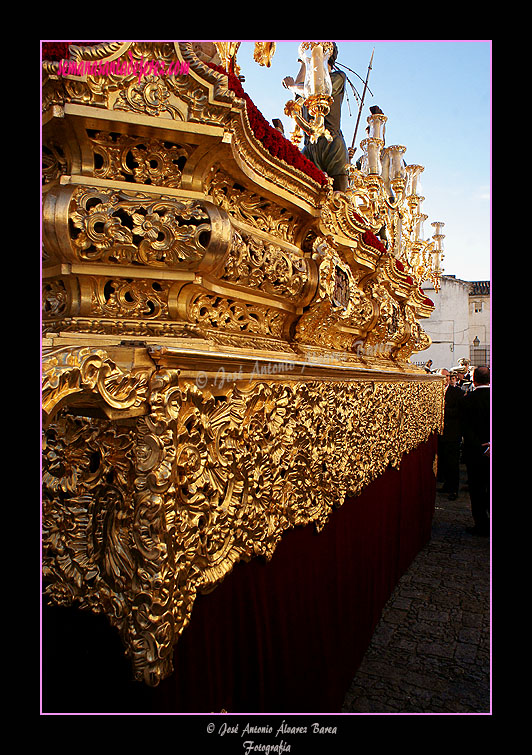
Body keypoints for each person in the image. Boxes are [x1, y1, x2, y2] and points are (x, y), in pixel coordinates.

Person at [283, 43, 349, 191]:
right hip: (309, 147)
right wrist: (304, 64)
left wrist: (292, 86)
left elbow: (312, 89)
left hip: (331, 144)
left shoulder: (338, 77)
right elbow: (298, 95)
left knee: (341, 199)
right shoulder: (305, 89)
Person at [461, 365, 490, 536]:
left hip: (475, 452)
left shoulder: (467, 400)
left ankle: (481, 525)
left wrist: (481, 445)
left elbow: (465, 429)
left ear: (474, 379)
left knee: (477, 489)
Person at [437, 369, 464, 500]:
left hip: (452, 433)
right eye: (443, 376)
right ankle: (447, 485)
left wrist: (442, 409)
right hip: (439, 433)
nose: (446, 378)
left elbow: (459, 412)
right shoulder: (434, 392)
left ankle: (453, 490)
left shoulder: (458, 392)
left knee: (453, 463)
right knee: (443, 461)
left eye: (448, 376)